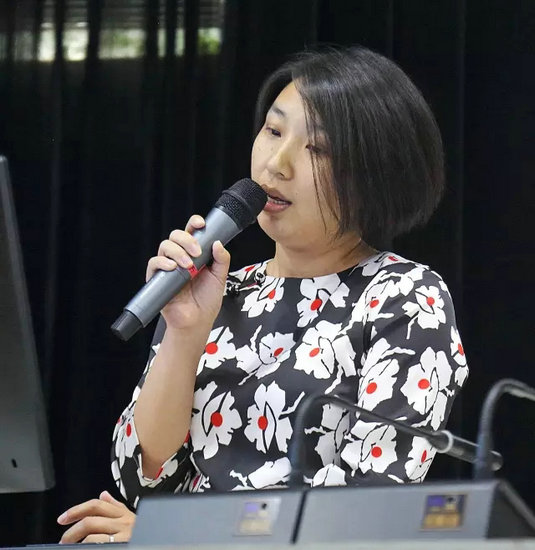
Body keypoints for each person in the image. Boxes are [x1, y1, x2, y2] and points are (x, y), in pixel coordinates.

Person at [57, 45, 469, 543]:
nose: (276, 163)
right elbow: (144, 481)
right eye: (273, 131)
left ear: (375, 174)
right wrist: (184, 334)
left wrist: (182, 535)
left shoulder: (405, 297)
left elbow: (368, 503)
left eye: (318, 149)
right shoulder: (219, 289)